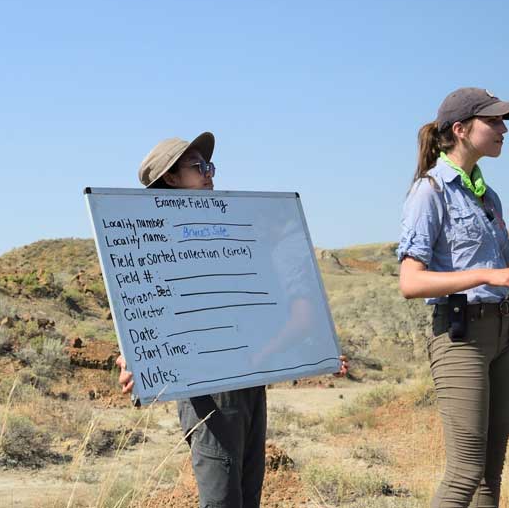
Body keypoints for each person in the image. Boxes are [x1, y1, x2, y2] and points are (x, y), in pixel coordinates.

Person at [116, 132, 347, 508]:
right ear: (172, 179)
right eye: (198, 167)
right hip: (207, 388)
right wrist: (136, 355)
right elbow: (148, 306)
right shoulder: (153, 238)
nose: (209, 174)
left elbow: (265, 303)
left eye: (210, 166)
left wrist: (318, 349)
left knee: (247, 494)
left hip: (251, 380)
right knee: (222, 499)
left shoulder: (230, 231)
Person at [397, 87, 509, 507]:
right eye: (494, 121)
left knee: (487, 477)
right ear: (460, 130)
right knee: (464, 475)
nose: (503, 129)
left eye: (503, 122)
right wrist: (484, 275)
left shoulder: (486, 194)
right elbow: (410, 282)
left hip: (501, 335)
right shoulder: (430, 191)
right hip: (461, 338)